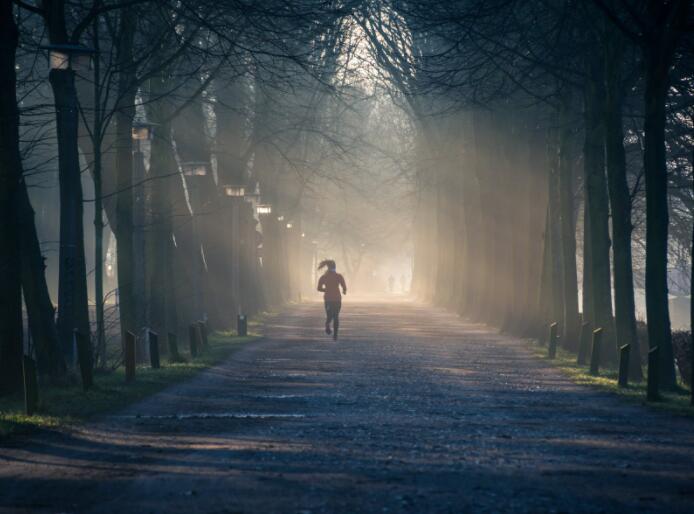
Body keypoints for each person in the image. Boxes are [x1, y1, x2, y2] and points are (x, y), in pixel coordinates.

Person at [317, 259, 347, 341]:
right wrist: (344, 291)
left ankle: (327, 324)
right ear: (335, 267)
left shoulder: (324, 277)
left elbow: (319, 288)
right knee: (336, 316)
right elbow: (344, 286)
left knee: (329, 315)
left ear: (327, 267)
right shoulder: (339, 276)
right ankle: (335, 335)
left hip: (328, 299)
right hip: (337, 299)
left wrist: (326, 290)